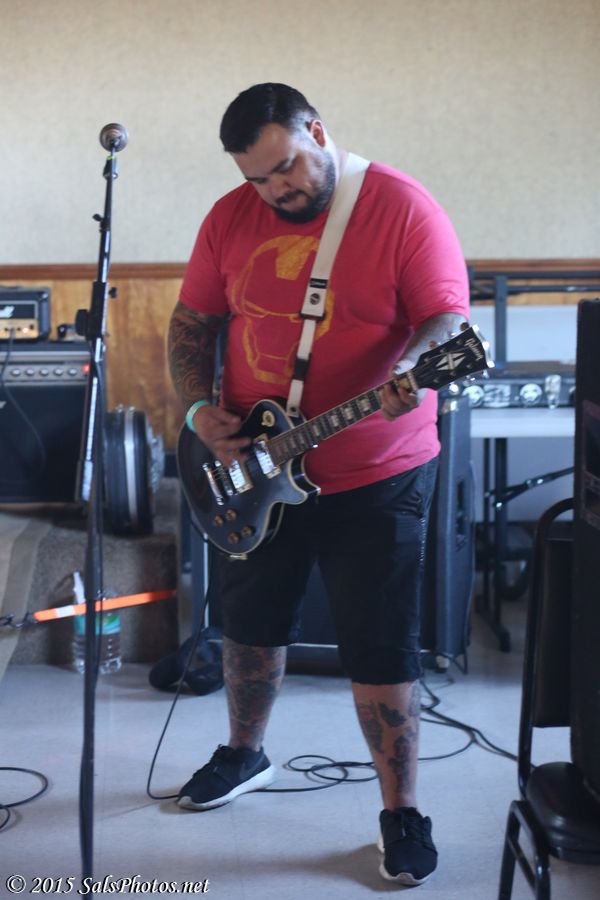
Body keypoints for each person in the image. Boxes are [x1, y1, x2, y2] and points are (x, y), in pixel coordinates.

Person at [168, 83, 470, 887]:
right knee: (249, 622)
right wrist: (198, 409)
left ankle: (401, 809)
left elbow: (448, 322)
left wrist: (413, 368)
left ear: (318, 131)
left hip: (376, 471)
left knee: (379, 640)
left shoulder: (403, 210)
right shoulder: (229, 218)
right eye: (257, 178)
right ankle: (244, 753)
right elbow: (192, 322)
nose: (276, 190)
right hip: (252, 468)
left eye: (287, 167)